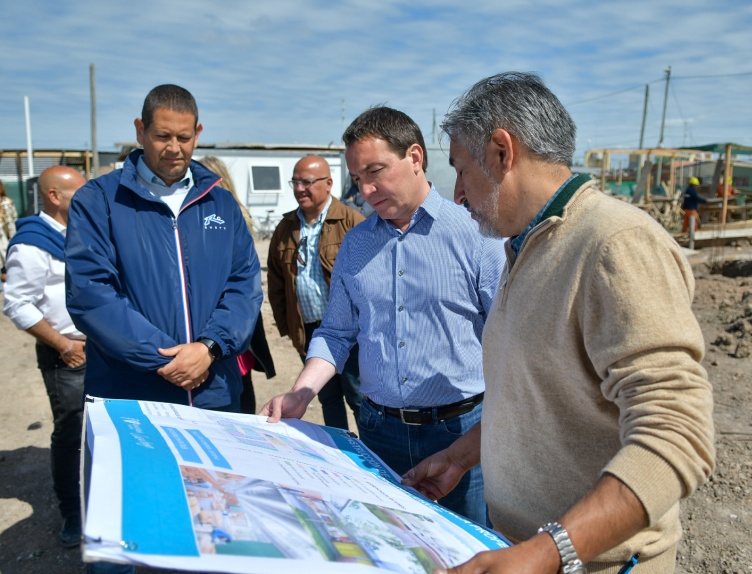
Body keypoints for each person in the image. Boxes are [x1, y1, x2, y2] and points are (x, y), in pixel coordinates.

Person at [401, 71, 715, 574]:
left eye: (461, 170)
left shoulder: (614, 244)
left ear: (503, 153)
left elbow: (677, 436)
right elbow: (544, 397)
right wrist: (461, 456)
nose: (457, 194)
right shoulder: (524, 247)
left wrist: (548, 552)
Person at [261, 107, 506, 526]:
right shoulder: (355, 246)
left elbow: (507, 342)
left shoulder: (477, 235)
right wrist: (302, 392)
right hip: (378, 431)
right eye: (358, 178)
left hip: (461, 435)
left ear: (415, 157)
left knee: (465, 553)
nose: (368, 189)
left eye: (376, 171)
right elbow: (336, 333)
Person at [65, 84, 262, 413]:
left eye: (183, 137)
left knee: (211, 467)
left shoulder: (221, 202)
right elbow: (90, 293)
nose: (174, 148)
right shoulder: (98, 200)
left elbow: (244, 284)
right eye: (162, 136)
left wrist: (209, 348)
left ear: (197, 133)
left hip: (213, 388)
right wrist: (169, 358)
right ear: (140, 130)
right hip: (132, 392)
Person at [2, 166, 88, 549]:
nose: (87, 201)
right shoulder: (32, 242)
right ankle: (72, 511)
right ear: (54, 196)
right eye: (78, 194)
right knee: (70, 434)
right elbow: (17, 304)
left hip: (102, 349)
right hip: (67, 354)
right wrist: (64, 345)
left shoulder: (80, 233)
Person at [267, 155, 365, 430]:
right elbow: (276, 283)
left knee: (357, 395)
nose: (300, 189)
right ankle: (338, 447)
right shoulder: (285, 228)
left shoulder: (351, 221)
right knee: (326, 397)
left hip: (350, 333)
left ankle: (370, 453)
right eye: (295, 182)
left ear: (329, 184)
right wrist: (289, 326)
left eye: (307, 182)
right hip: (309, 330)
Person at [199, 155, 276, 414]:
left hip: (224, 316)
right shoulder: (235, 213)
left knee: (232, 382)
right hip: (235, 320)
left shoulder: (224, 216)